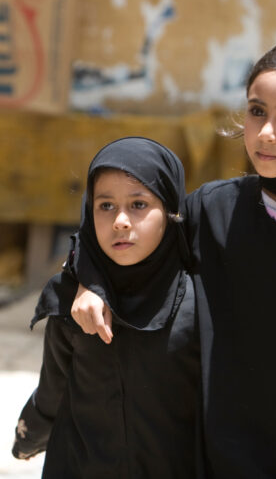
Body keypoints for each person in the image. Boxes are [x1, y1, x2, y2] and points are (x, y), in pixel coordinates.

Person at [71, 39, 276, 478]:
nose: (266, 133)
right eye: (256, 111)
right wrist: (89, 281)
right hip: (235, 439)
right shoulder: (213, 209)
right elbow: (129, 242)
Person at [11, 137, 200, 478]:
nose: (121, 221)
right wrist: (30, 435)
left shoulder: (195, 302)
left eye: (139, 205)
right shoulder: (74, 301)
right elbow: (55, 382)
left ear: (171, 211)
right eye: (106, 206)